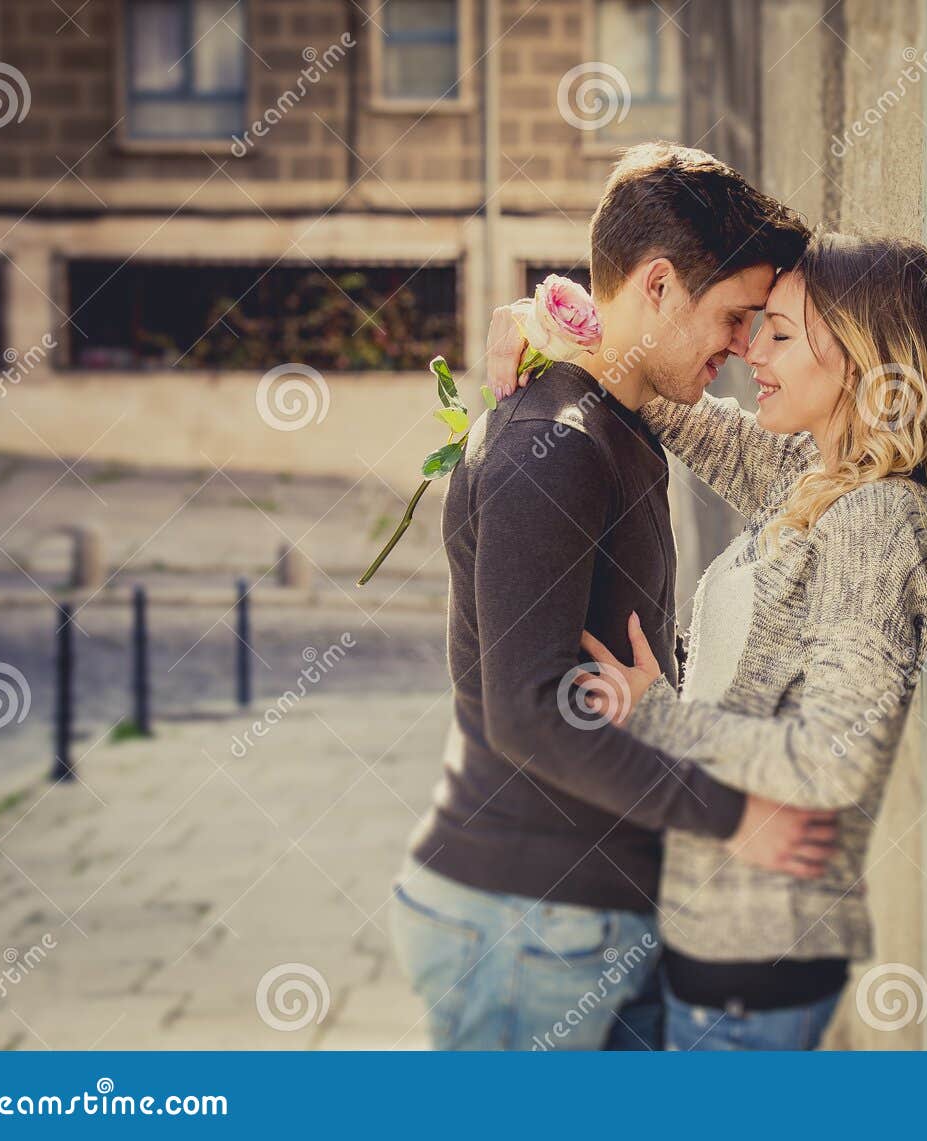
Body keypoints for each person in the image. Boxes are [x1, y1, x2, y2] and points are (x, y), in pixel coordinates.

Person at [390, 143, 835, 1052]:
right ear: (661, 286)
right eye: (735, 316)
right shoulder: (550, 445)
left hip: (591, 919)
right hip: (523, 925)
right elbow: (527, 709)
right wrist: (734, 816)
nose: (744, 347)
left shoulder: (619, 424)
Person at [486, 229, 927, 1050]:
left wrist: (657, 714)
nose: (749, 354)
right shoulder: (806, 479)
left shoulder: (878, 521)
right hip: (702, 936)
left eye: (777, 332)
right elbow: (663, 391)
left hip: (759, 963)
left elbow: (835, 756)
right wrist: (548, 324)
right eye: (750, 327)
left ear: (857, 355)